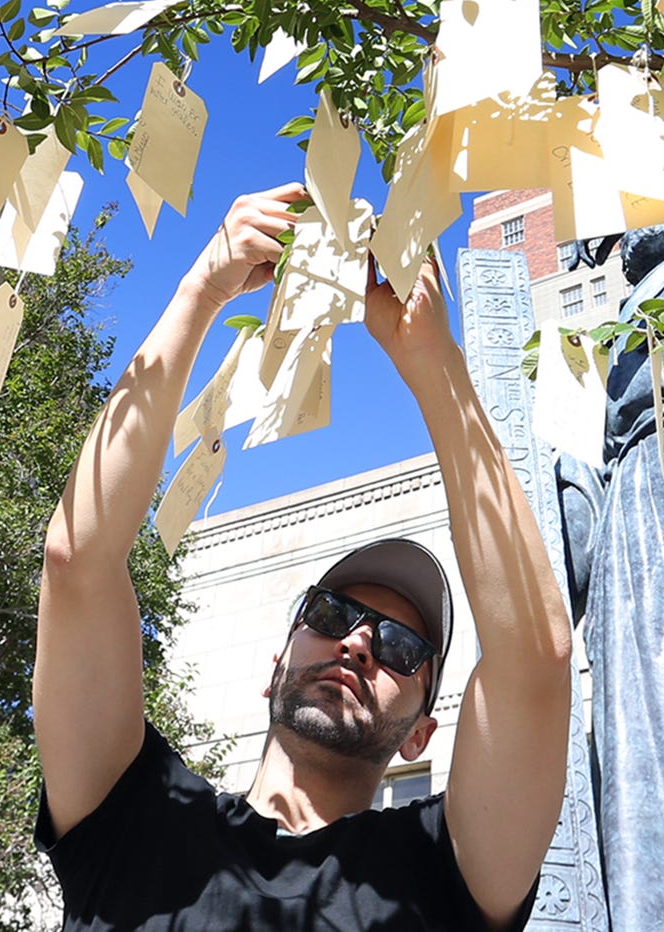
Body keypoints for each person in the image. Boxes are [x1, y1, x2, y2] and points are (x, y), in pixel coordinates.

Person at [35, 182, 576, 932]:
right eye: (333, 614)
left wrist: (433, 364)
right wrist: (201, 289)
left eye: (400, 645)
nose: (358, 641)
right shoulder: (136, 817)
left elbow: (535, 662)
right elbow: (77, 560)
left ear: (424, 731)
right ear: (274, 669)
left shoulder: (444, 870)